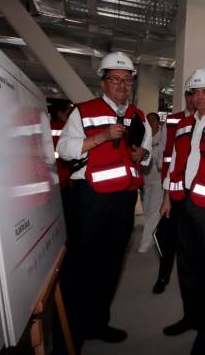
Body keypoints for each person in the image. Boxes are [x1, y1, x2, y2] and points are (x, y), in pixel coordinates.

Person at [56, 51, 151, 350]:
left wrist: (143, 154)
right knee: (79, 268)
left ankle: (97, 323)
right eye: (115, 79)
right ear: (103, 82)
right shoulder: (83, 112)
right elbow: (65, 150)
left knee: (110, 265)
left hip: (123, 201)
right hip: (89, 199)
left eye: (127, 80)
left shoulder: (138, 116)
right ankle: (68, 337)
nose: (122, 85)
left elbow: (145, 154)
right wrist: (101, 137)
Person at [160, 68, 205, 355]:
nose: (200, 97)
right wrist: (167, 196)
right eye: (195, 93)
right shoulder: (183, 125)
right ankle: (191, 316)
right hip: (182, 202)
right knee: (187, 266)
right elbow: (175, 161)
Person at [153, 87, 195, 294]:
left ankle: (192, 279)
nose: (194, 98)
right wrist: (167, 194)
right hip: (174, 188)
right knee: (166, 234)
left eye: (199, 93)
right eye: (190, 94)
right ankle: (164, 274)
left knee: (193, 239)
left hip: (197, 192)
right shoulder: (172, 121)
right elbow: (163, 154)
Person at [138, 112, 165, 253]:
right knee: (147, 210)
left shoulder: (162, 136)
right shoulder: (143, 138)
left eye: (153, 120)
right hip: (145, 180)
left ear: (158, 122)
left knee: (153, 212)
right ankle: (155, 236)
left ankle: (145, 243)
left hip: (158, 180)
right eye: (147, 120)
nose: (150, 123)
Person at [49, 99, 74, 188]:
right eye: (68, 112)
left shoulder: (47, 126)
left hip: (54, 172)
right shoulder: (66, 128)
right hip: (64, 173)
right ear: (60, 113)